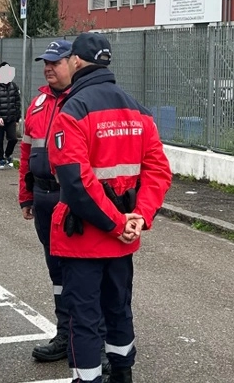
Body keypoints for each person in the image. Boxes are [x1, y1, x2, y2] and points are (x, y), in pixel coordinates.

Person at [47, 32, 172, 383]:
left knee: (84, 318)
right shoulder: (138, 110)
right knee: (118, 309)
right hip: (123, 237)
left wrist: (117, 223)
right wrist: (139, 216)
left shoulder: (72, 109)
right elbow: (158, 171)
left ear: (75, 62)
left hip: (86, 235)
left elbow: (74, 181)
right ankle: (123, 373)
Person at [17, 40, 78, 362]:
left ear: (74, 63)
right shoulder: (39, 102)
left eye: (56, 62)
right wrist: (25, 194)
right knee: (56, 268)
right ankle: (65, 333)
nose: (48, 67)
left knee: (82, 269)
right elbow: (26, 151)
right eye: (46, 62)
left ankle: (90, 335)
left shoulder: (83, 101)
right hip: (42, 196)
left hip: (72, 196)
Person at [0, 62, 22, 169]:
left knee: (13, 138)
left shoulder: (14, 86)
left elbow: (17, 102)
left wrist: (17, 117)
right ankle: (1, 159)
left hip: (11, 118)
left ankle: (7, 154)